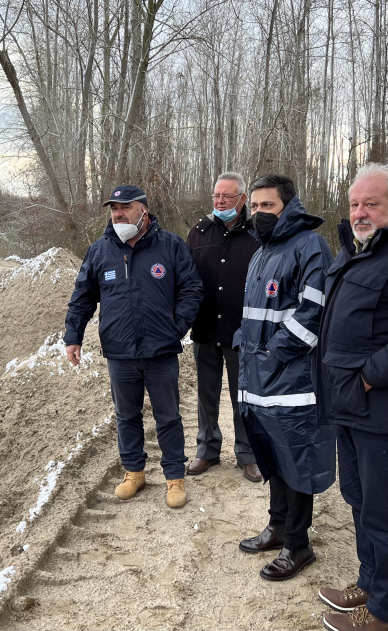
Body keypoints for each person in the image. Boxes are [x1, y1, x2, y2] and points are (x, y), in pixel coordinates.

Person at [64, 185, 203, 508]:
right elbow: (82, 297)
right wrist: (73, 336)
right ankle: (134, 472)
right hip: (120, 352)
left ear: (143, 209)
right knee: (127, 416)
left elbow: (192, 289)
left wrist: (177, 328)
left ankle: (174, 477)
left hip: (161, 351)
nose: (118, 213)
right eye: (113, 207)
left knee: (168, 417)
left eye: (124, 206)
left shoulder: (170, 246)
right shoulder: (100, 251)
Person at [234, 174, 335, 581]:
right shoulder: (261, 251)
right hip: (258, 378)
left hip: (290, 380)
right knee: (272, 456)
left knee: (297, 462)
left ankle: (298, 544)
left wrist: (276, 352)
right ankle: (277, 526)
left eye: (267, 206)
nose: (258, 213)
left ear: (287, 207)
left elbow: (314, 311)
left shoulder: (309, 245)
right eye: (254, 206)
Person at [316, 163, 388, 631]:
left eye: (372, 203)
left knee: (383, 513)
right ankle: (370, 581)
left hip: (378, 410)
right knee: (358, 500)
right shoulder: (353, 253)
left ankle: (382, 612)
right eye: (355, 203)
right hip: (346, 406)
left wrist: (367, 376)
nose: (360, 212)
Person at [186, 172, 262, 482]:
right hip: (205, 329)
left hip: (241, 332)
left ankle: (247, 453)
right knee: (206, 394)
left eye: (226, 197)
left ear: (242, 200)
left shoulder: (258, 235)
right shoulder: (199, 233)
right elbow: (186, 281)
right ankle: (207, 449)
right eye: (216, 196)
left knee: (243, 396)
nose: (219, 202)